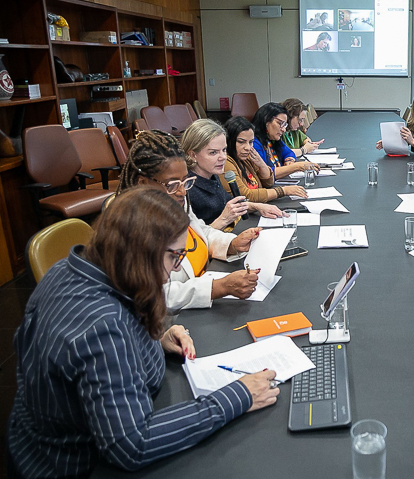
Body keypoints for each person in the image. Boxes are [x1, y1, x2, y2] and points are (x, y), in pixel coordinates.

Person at [6, 188, 280, 477]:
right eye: (175, 256)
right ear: (141, 252)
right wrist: (237, 396)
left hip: (37, 445)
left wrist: (155, 339)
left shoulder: (71, 270)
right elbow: (131, 444)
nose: (173, 269)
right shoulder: (102, 325)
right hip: (73, 466)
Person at [117, 130, 262, 310]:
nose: (182, 191)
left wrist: (232, 244)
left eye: (185, 181)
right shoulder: (128, 229)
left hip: (206, 286)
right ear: (142, 183)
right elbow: (152, 296)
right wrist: (218, 288)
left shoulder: (175, 199)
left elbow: (200, 230)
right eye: (172, 184)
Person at [181, 119, 283, 226]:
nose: (223, 157)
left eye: (224, 150)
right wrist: (223, 220)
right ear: (193, 155)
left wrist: (257, 206)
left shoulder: (212, 176)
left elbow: (230, 203)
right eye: (213, 152)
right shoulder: (186, 189)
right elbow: (192, 238)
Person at [221, 116, 306, 201]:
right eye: (241, 142)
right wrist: (283, 191)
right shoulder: (225, 163)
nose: (247, 147)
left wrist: (261, 164)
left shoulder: (246, 158)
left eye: (250, 142)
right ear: (228, 141)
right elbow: (245, 196)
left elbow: (268, 183)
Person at [252, 102, 318, 180]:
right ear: (266, 121)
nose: (283, 129)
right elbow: (266, 174)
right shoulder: (254, 143)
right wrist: (296, 167)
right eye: (280, 123)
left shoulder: (272, 140)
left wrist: (289, 159)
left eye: (285, 125)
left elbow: (289, 152)